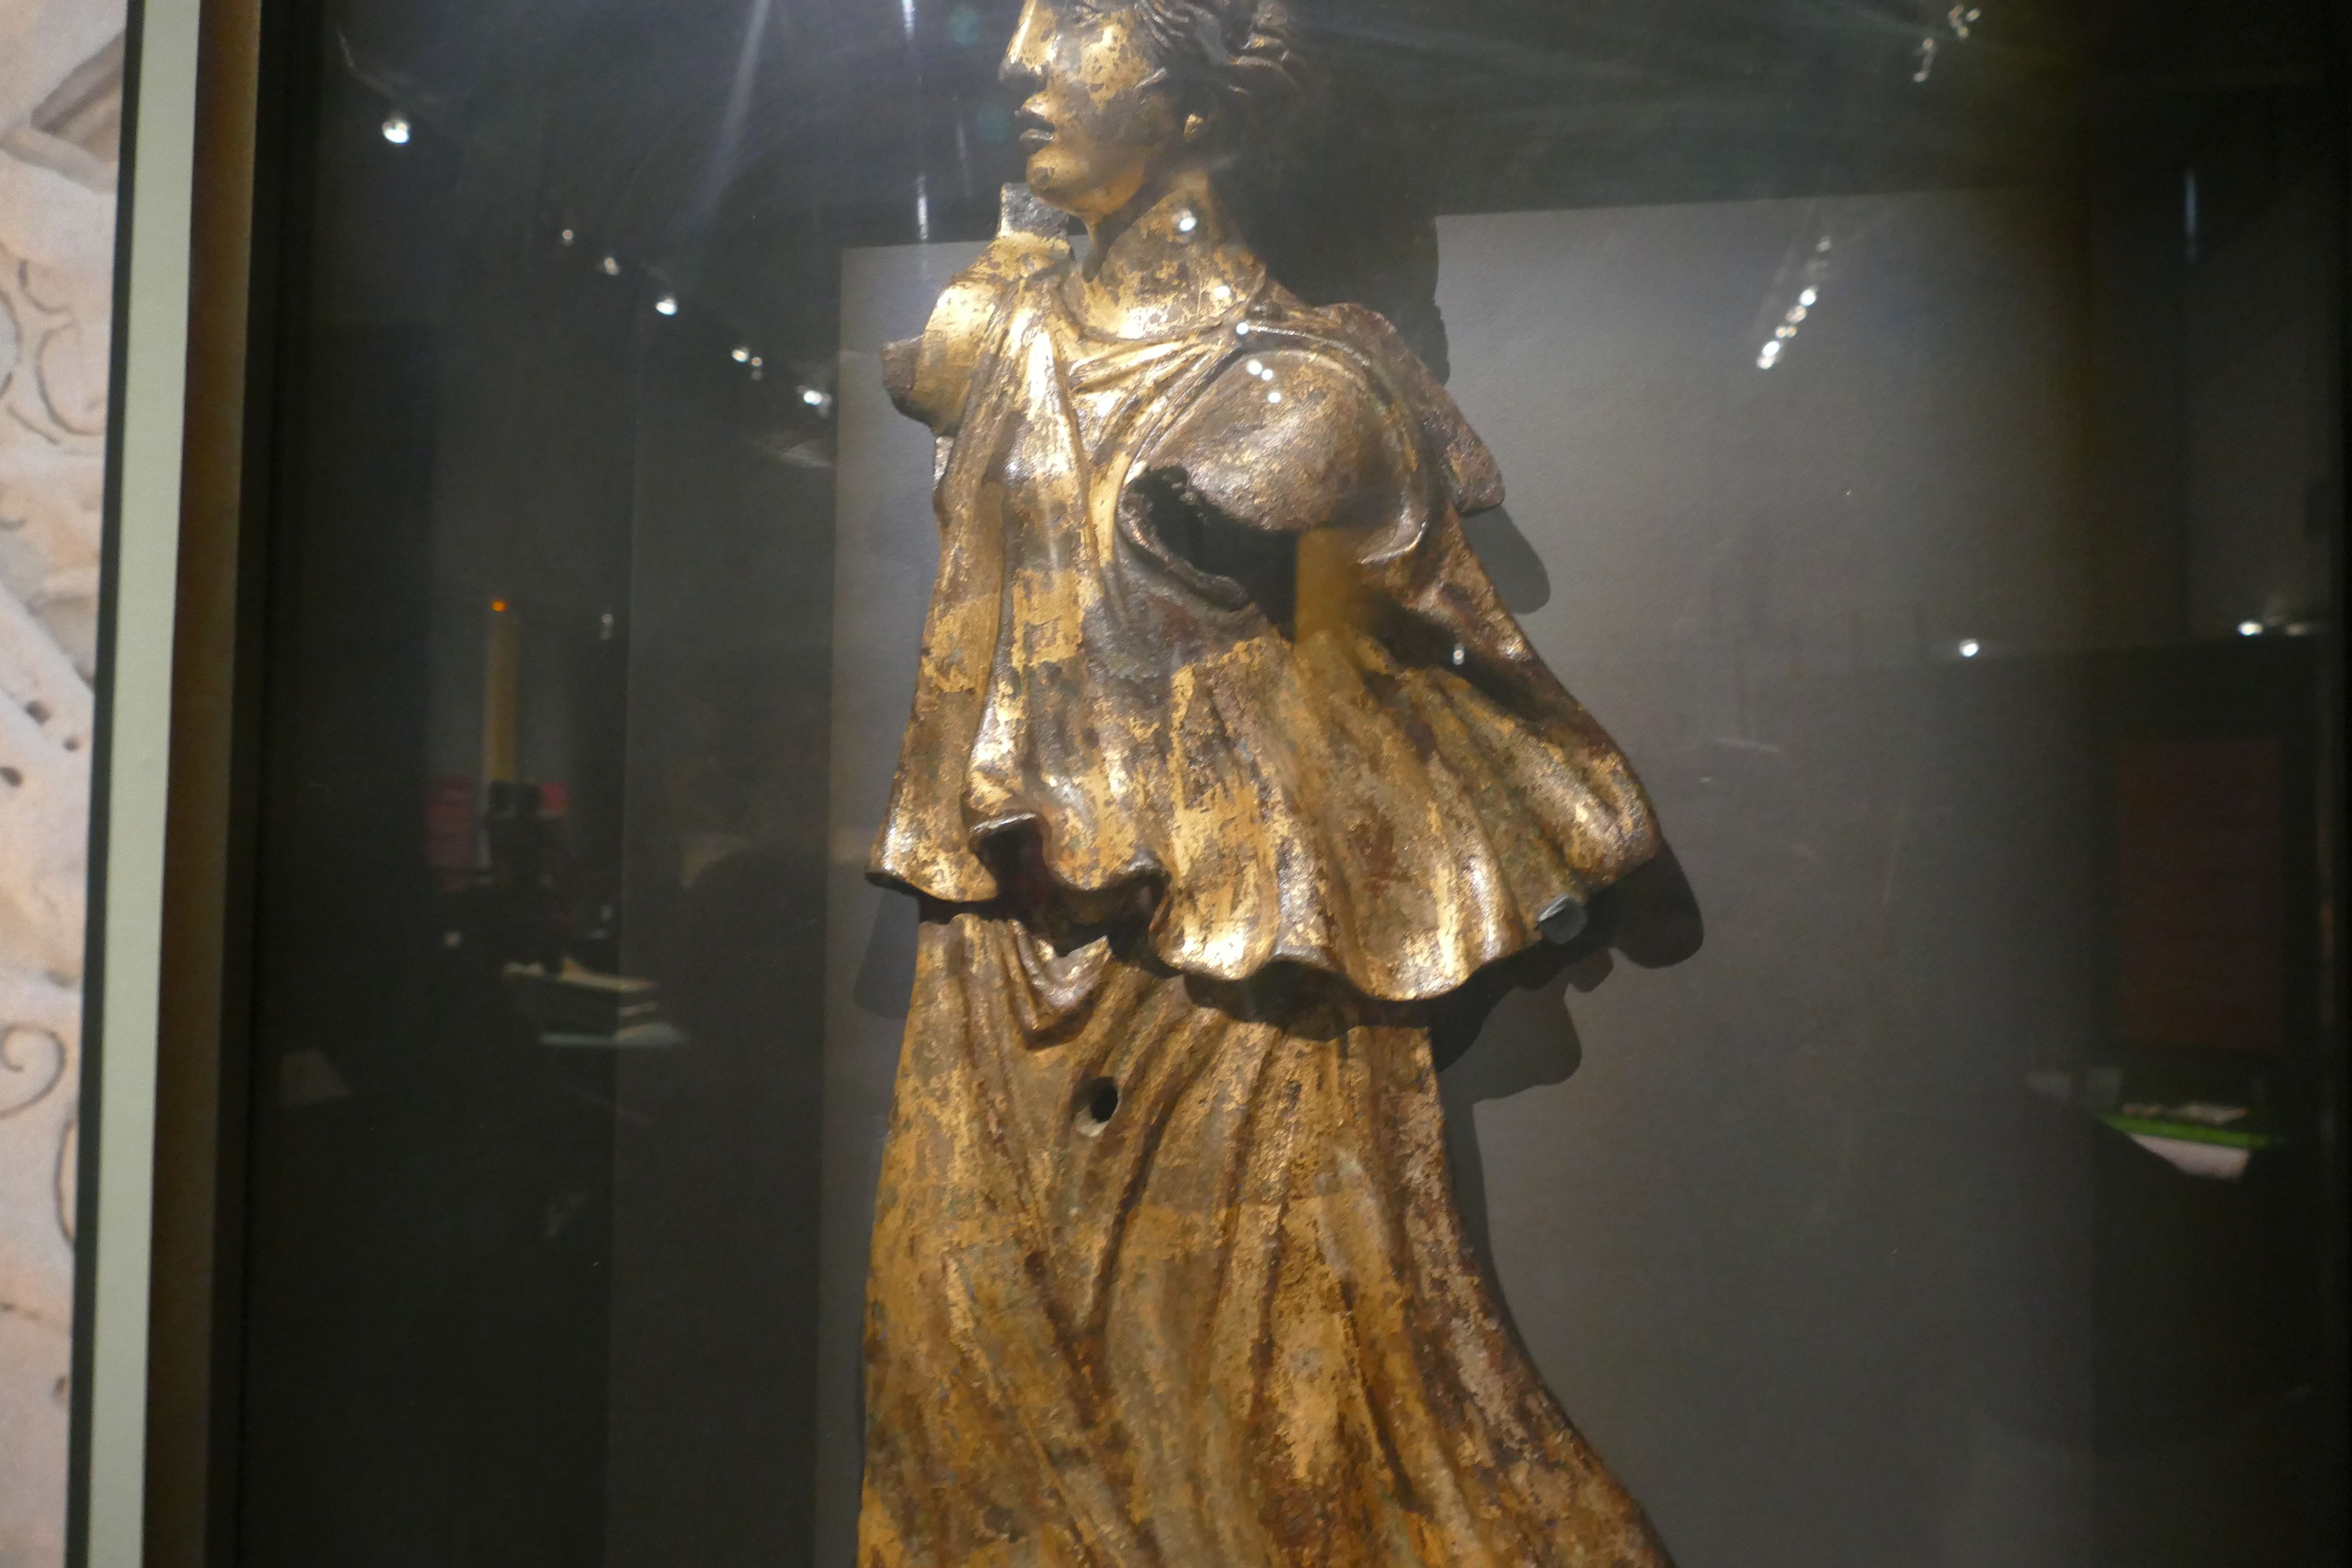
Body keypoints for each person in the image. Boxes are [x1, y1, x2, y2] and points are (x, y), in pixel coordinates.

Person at [861, 0, 1700, 1559]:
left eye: (1087, 18)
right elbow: (956, 375)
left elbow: (1376, 593)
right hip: (1000, 933)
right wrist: (1020, 241)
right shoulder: (1011, 338)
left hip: (1238, 953)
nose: (1022, 58)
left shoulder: (1307, 383)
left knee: (1268, 1406)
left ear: (1199, 107)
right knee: (966, 1386)